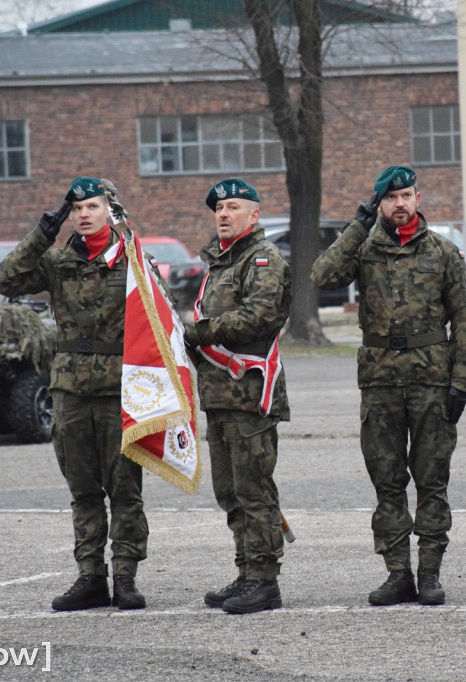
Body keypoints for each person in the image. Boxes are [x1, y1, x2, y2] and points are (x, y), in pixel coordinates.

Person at [311, 165, 466, 606]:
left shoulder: (443, 252)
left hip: (431, 382)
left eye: (406, 195)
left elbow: (464, 318)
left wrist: (462, 381)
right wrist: (356, 227)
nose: (400, 204)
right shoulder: (364, 250)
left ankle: (429, 574)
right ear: (379, 204)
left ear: (417, 199)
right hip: (381, 383)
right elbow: (322, 278)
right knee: (387, 483)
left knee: (432, 482)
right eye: (390, 198)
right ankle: (397, 573)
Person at [0, 176, 149, 611]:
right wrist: (45, 229)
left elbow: (161, 322)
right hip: (71, 390)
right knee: (83, 489)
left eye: (92, 207)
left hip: (120, 389)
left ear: (109, 212)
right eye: (76, 209)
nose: (83, 214)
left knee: (124, 489)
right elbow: (6, 280)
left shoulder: (134, 261)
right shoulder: (57, 261)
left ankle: (125, 577)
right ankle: (90, 577)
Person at [183, 178, 292, 615]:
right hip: (220, 394)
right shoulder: (221, 264)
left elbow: (259, 316)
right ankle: (247, 572)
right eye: (219, 208)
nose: (223, 214)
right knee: (229, 490)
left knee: (254, 490)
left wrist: (197, 332)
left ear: (254, 214)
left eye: (232, 207)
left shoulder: (262, 259)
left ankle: (265, 581)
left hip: (250, 394)